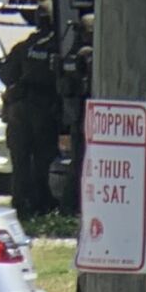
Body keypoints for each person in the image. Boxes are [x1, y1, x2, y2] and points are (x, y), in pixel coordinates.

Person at [0, 3, 60, 215]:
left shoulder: (25, 46)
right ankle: (39, 205)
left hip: (20, 110)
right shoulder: (59, 46)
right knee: (43, 160)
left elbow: (7, 76)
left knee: (21, 161)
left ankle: (21, 206)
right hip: (44, 111)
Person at [56, 12, 94, 211]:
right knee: (82, 163)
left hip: (74, 114)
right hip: (85, 115)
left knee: (76, 162)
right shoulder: (85, 55)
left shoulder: (70, 54)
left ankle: (68, 205)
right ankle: (72, 205)